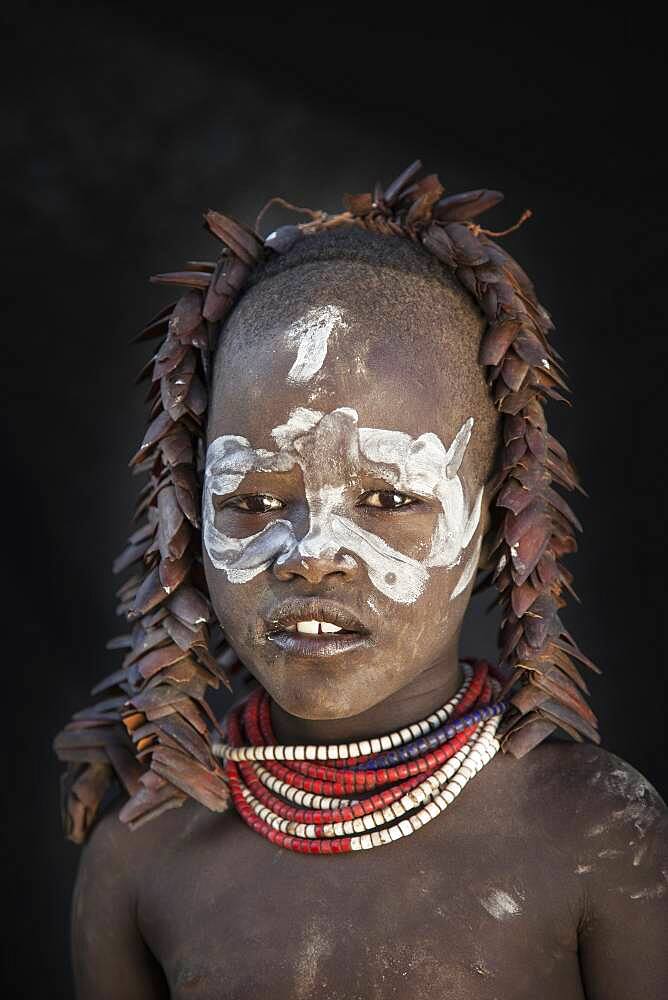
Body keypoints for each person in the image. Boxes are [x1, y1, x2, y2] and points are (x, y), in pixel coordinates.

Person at [54, 162, 668, 998]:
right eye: (254, 498)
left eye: (388, 498)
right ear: (189, 518)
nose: (312, 552)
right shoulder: (143, 853)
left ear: (491, 517)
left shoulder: (596, 833)